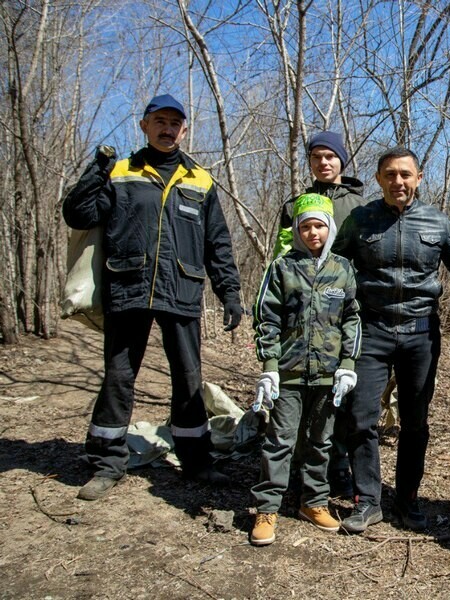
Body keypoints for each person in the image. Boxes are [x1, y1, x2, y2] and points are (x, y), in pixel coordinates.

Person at [62, 94, 243, 501]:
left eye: (175, 123)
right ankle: (107, 463)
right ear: (144, 126)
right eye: (159, 121)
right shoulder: (121, 172)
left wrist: (229, 292)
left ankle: (195, 461)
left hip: (181, 289)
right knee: (119, 377)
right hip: (127, 287)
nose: (167, 128)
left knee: (189, 378)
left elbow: (219, 243)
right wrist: (96, 172)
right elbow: (78, 214)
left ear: (184, 130)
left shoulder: (201, 180)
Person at [333, 147, 450, 533]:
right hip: (371, 330)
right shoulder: (360, 220)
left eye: (405, 174)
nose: (398, 182)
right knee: (361, 418)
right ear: (378, 179)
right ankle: (368, 501)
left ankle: (408, 499)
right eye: (390, 175)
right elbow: (334, 267)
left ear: (418, 177)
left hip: (420, 335)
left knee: (415, 422)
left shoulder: (438, 222)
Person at [249, 193, 362, 546]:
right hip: (289, 373)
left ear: (330, 228)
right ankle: (267, 508)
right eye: (306, 226)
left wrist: (347, 364)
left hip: (329, 376)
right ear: (297, 230)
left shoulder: (343, 269)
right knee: (280, 441)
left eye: (320, 226)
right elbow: (266, 318)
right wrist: (269, 367)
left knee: (320, 441)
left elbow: (353, 318)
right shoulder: (282, 267)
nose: (313, 233)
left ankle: (313, 501)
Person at [271, 131, 366, 499]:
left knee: (340, 393)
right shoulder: (294, 205)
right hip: (300, 318)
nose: (324, 163)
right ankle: (298, 462)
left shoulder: (359, 205)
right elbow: (281, 258)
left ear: (341, 160)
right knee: (300, 390)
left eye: (330, 156)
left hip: (343, 309)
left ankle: (337, 466)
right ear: (309, 162)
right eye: (316, 157)